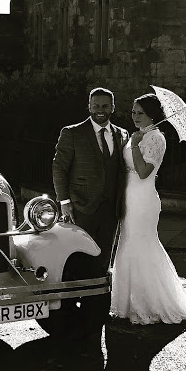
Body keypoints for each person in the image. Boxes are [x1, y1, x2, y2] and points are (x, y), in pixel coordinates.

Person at [111, 93, 186, 324]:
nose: (135, 116)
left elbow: (144, 171)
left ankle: (151, 303)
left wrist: (134, 146)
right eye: (133, 112)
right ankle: (127, 303)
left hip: (143, 199)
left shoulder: (156, 138)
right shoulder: (138, 135)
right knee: (127, 243)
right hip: (128, 196)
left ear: (152, 115)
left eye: (140, 113)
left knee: (141, 244)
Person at [53, 87, 130, 273]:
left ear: (113, 107)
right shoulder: (72, 133)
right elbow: (59, 167)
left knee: (103, 259)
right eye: (95, 105)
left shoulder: (122, 134)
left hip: (112, 208)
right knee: (77, 257)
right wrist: (65, 201)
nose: (100, 110)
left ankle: (97, 300)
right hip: (81, 206)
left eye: (105, 105)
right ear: (89, 106)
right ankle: (74, 299)